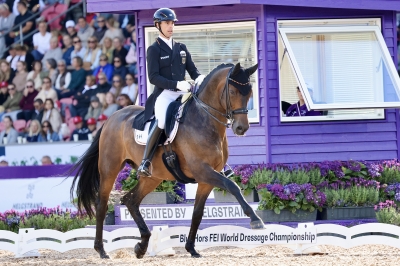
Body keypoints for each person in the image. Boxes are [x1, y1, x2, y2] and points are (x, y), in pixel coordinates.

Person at [135, 8, 205, 176]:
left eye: (172, 23)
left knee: (202, 116)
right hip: (164, 94)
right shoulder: (154, 49)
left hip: (183, 94)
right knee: (160, 122)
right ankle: (145, 162)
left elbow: (193, 71)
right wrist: (176, 84)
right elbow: (153, 77)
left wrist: (201, 78)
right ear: (158, 25)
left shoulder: (181, 48)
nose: (170, 26)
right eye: (167, 23)